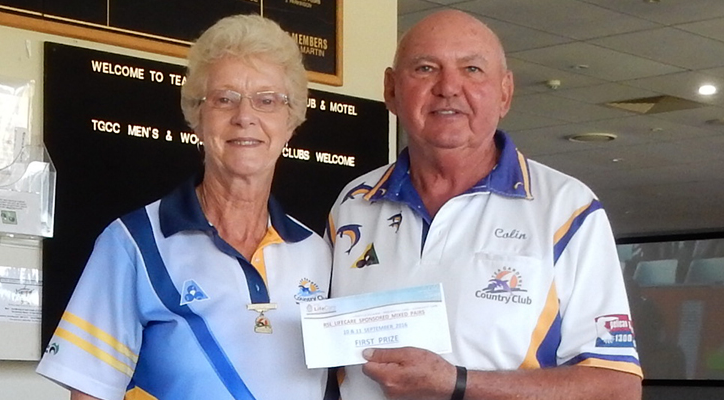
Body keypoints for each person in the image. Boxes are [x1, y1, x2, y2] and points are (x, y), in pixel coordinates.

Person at [326, 10, 643, 400]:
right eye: (425, 69)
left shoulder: (567, 209)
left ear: (505, 93)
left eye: (472, 69)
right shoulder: (353, 205)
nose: (448, 87)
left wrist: (457, 382)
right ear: (391, 90)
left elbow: (617, 386)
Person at [37, 14, 331, 400]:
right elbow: (90, 393)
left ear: (290, 123)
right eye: (225, 99)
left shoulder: (317, 253)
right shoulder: (132, 244)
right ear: (197, 117)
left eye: (267, 101)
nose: (245, 117)